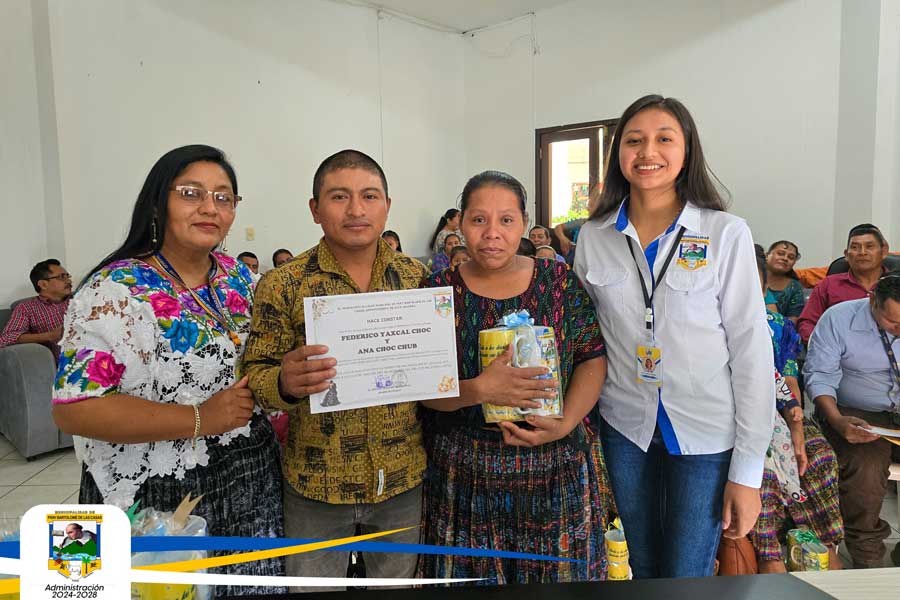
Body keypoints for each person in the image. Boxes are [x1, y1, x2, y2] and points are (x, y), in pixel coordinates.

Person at [51, 145, 285, 597]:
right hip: (157, 493)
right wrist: (200, 418)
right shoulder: (115, 290)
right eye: (191, 193)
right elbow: (74, 408)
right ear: (158, 202)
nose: (209, 208)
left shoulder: (241, 279)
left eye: (223, 197)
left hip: (249, 480)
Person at [574, 94, 774, 578]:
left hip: (705, 432)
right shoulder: (595, 236)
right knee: (642, 567)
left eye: (664, 139)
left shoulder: (725, 233)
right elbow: (584, 341)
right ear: (618, 154)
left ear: (687, 151)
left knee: (687, 574)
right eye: (634, 141)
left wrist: (748, 472)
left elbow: (751, 350)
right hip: (625, 427)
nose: (648, 152)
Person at [243, 149, 428, 590]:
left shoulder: (418, 279)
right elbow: (256, 374)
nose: (356, 209)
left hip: (401, 478)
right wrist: (284, 382)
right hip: (316, 483)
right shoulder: (283, 283)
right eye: (339, 196)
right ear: (315, 209)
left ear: (387, 206)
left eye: (369, 196)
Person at [419, 170, 611, 583]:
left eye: (506, 220)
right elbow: (421, 388)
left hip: (554, 469)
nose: (492, 233)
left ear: (524, 223)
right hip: (465, 477)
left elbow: (592, 357)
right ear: (460, 223)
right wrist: (479, 389)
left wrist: (564, 424)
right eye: (478, 219)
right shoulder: (436, 292)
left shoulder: (558, 282)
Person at [748, 255, 843, 572]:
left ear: (764, 289)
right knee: (760, 469)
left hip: (778, 412)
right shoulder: (706, 325)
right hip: (729, 419)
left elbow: (787, 380)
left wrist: (797, 427)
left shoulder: (777, 326)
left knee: (818, 455)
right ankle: (769, 555)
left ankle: (823, 547)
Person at [804, 274, 900, 568]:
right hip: (857, 411)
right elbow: (819, 375)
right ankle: (867, 554)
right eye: (893, 322)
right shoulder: (839, 319)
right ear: (872, 301)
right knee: (865, 466)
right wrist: (836, 420)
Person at [797, 224, 889, 343]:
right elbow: (807, 323)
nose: (862, 252)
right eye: (855, 247)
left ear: (884, 251)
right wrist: (822, 346)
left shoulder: (895, 284)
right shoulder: (828, 285)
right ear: (846, 254)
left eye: (869, 246)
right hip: (837, 350)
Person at [0, 259, 72, 361]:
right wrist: (49, 336)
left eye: (67, 276)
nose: (69, 281)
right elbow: (6, 338)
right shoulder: (27, 307)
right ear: (43, 284)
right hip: (68, 362)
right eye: (61, 277)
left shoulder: (82, 297)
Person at [765, 241, 805, 322]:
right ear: (766, 255)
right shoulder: (753, 278)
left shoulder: (794, 287)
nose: (785, 258)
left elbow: (793, 320)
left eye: (791, 257)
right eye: (780, 253)